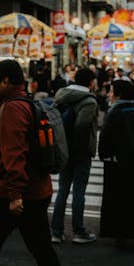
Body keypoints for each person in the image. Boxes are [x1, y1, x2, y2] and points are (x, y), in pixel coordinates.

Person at [0, 60, 60, 266]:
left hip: (12, 194)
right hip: (35, 189)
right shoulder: (25, 103)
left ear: (7, 81)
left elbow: (14, 152)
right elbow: (9, 152)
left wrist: (15, 194)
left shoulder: (12, 108)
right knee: (41, 248)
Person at [50, 67, 98, 244]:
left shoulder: (62, 95)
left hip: (63, 150)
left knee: (63, 190)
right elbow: (82, 127)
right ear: (91, 82)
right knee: (79, 191)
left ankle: (56, 231)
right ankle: (78, 231)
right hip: (80, 152)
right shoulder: (89, 101)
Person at [98, 80, 134, 247]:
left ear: (118, 94)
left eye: (111, 91)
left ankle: (120, 233)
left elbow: (105, 137)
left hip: (117, 162)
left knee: (117, 198)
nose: (109, 94)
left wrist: (104, 155)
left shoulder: (114, 112)